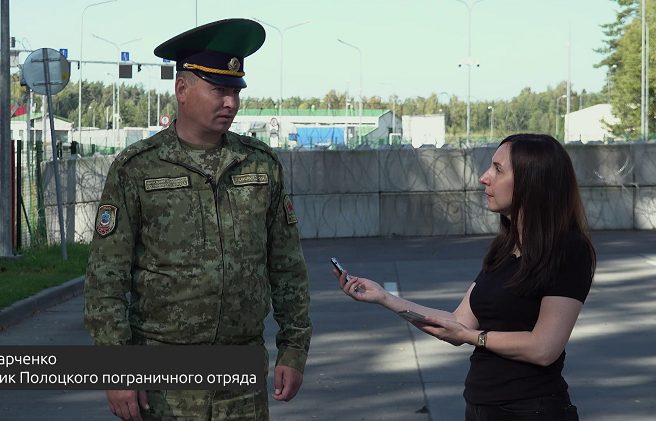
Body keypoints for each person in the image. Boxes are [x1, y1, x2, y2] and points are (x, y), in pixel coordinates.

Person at [84, 18, 312, 421]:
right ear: (182, 89)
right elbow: (106, 278)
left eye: (236, 91)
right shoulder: (137, 169)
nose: (231, 103)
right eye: (219, 90)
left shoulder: (261, 165)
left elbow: (287, 266)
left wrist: (294, 349)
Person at [334, 133, 596, 421]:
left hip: (531, 410)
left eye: (498, 169)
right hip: (481, 408)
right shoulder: (505, 249)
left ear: (532, 182)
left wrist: (473, 337)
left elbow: (544, 348)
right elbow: (457, 321)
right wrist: (385, 298)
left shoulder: (569, 250)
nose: (485, 177)